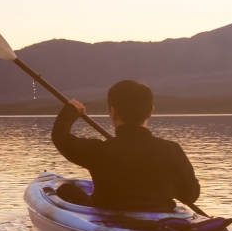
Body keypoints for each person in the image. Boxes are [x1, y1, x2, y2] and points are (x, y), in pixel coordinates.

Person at [51, 79, 200, 213]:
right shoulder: (173, 151)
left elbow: (61, 138)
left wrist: (71, 110)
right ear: (150, 112)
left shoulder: (99, 150)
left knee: (66, 191)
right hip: (159, 220)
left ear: (112, 112)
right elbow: (191, 196)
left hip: (109, 219)